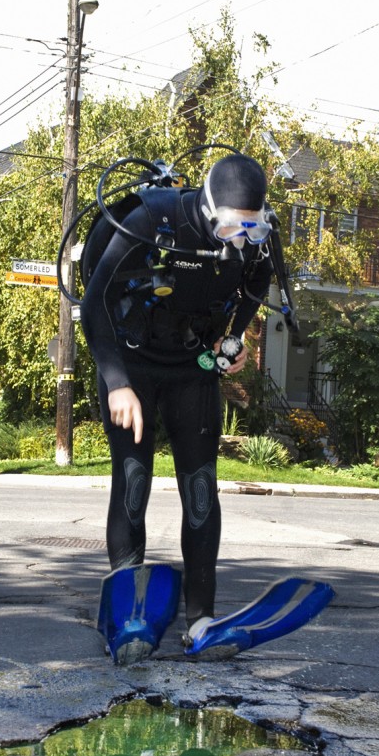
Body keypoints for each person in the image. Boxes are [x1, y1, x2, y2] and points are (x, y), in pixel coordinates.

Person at [81, 153, 274, 649]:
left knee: (201, 486)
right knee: (133, 478)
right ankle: (127, 617)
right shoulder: (152, 220)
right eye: (234, 227)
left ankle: (202, 620)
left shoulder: (256, 246)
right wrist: (117, 381)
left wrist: (234, 340)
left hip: (192, 368)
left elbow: (253, 292)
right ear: (210, 209)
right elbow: (96, 300)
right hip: (132, 363)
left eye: (252, 229)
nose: (242, 240)